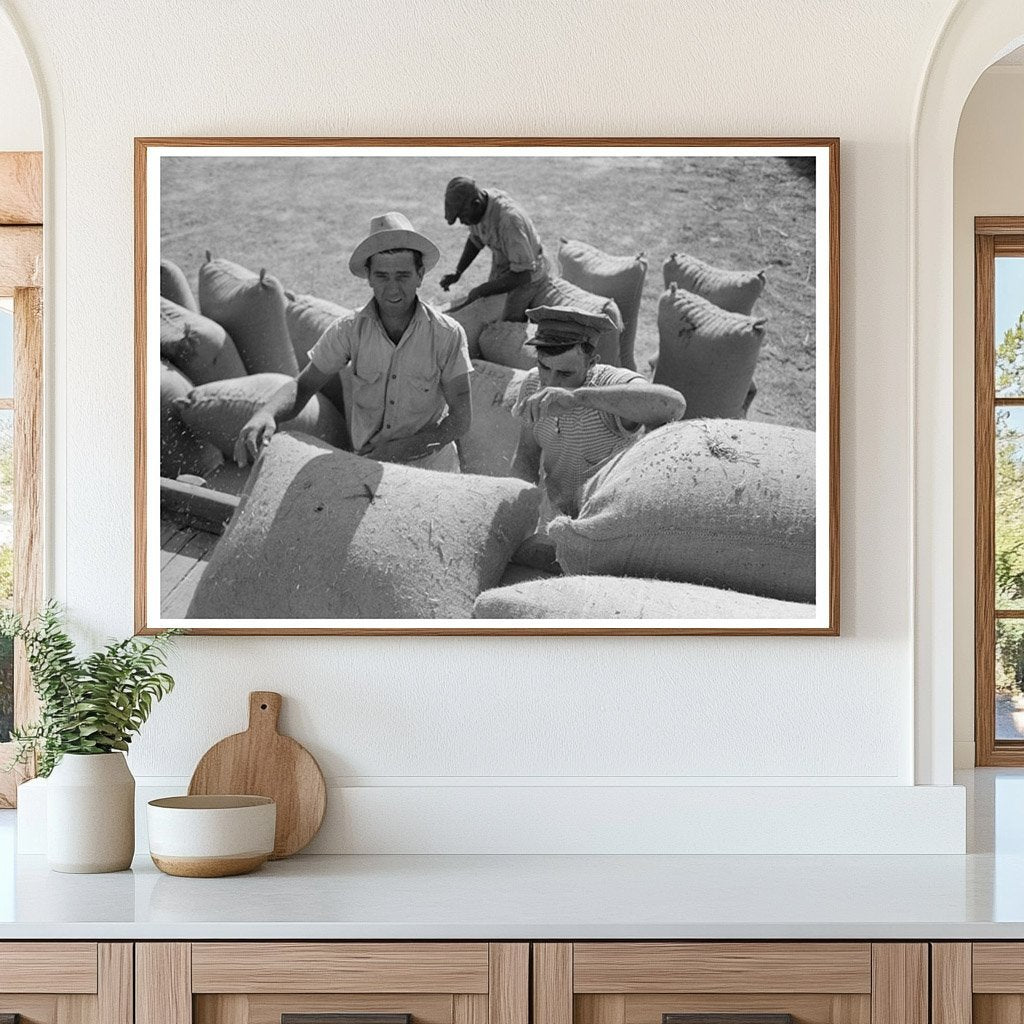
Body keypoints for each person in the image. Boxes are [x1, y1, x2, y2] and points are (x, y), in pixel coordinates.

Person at [235, 212, 472, 472]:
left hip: (432, 473)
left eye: (403, 276)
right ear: (368, 277)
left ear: (420, 274)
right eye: (382, 276)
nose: (393, 289)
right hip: (368, 468)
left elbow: (460, 420)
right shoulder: (348, 331)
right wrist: (267, 413)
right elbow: (303, 387)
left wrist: (400, 451)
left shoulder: (447, 334)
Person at [511, 306, 687, 518]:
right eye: (544, 368)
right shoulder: (532, 384)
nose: (551, 381)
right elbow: (526, 456)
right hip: (558, 517)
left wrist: (577, 398)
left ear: (591, 363)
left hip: (608, 520)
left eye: (565, 373)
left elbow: (674, 405)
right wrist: (520, 512)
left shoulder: (612, 385)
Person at [440, 176, 553, 320]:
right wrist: (458, 272)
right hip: (506, 265)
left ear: (476, 204)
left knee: (506, 324)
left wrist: (482, 290)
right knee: (488, 312)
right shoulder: (479, 205)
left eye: (462, 216)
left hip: (528, 275)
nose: (462, 222)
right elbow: (475, 240)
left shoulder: (509, 221)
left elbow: (524, 273)